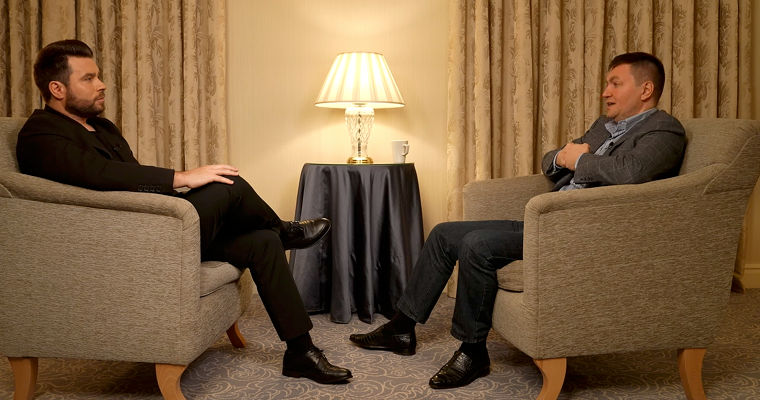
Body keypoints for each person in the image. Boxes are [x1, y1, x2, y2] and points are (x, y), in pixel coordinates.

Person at [16, 39, 352, 384]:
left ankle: (300, 352)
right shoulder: (40, 135)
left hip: (156, 229)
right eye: (88, 78)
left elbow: (131, 184)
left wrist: (181, 193)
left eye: (98, 76)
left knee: (262, 241)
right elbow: (98, 174)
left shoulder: (103, 127)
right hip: (122, 246)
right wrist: (182, 177)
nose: (101, 84)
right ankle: (287, 232)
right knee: (229, 185)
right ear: (57, 89)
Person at [349, 52, 686, 389]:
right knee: (443, 234)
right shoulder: (603, 126)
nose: (605, 92)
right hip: (547, 221)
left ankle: (472, 352)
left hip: (582, 232)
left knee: (477, 245)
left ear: (645, 90)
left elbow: (631, 172)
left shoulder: (664, 130)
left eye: (615, 84)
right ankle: (401, 328)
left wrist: (579, 159)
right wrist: (563, 156)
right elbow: (550, 162)